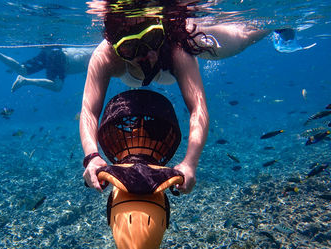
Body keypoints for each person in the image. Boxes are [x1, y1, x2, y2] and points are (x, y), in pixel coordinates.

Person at [79, 2, 289, 194]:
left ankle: (277, 24)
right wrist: (91, 156)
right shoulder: (105, 57)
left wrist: (190, 162)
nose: (146, 55)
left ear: (161, 32)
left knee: (242, 39)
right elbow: (89, 110)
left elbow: (198, 108)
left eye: (152, 39)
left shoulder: (177, 49)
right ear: (116, 48)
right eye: (129, 48)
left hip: (184, 42)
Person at [0, 46, 95, 92]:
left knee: (22, 69)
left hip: (50, 52)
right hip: (60, 58)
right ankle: (25, 81)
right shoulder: (98, 54)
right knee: (57, 86)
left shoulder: (95, 52)